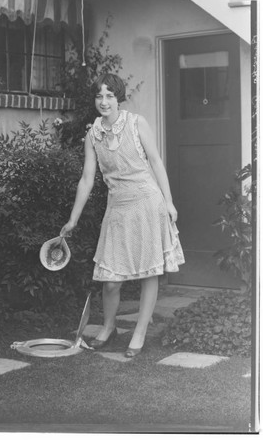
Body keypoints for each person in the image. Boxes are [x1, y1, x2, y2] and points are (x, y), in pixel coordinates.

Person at [60, 73, 185, 358]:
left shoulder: (136, 123)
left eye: (109, 96)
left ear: (119, 98)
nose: (103, 102)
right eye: (99, 96)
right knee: (111, 278)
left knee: (149, 270)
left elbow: (155, 161)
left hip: (147, 201)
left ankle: (139, 332)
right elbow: (87, 179)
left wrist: (169, 202)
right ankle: (108, 327)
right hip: (117, 207)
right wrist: (73, 219)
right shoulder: (93, 134)